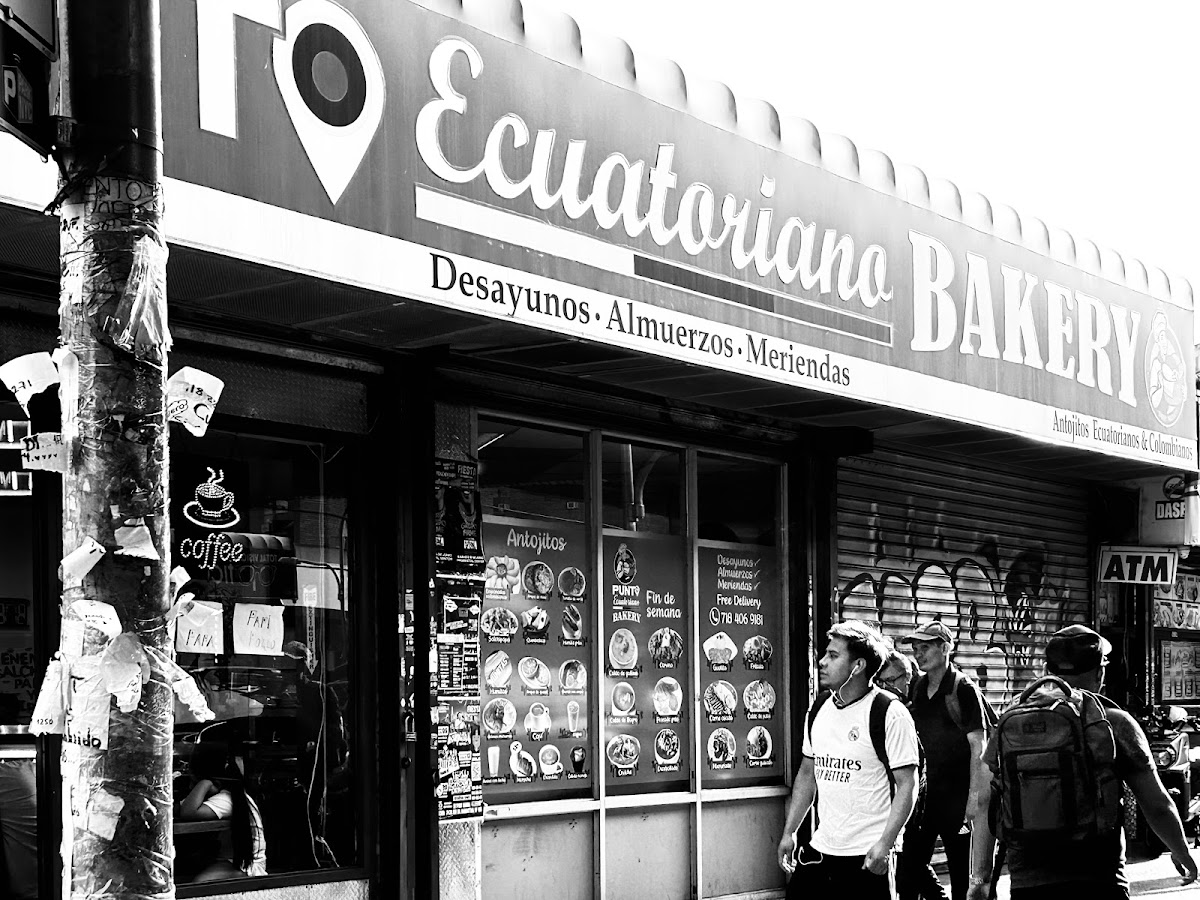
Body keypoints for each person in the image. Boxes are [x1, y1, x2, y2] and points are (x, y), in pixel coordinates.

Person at [966, 625, 1199, 900]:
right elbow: (1156, 804)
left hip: (1028, 881)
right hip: (1098, 880)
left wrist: (979, 879)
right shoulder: (1112, 722)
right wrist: (1182, 852)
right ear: (1100, 673)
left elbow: (986, 801)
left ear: (1045, 670)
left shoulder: (1014, 721)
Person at [778, 620, 920, 899]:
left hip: (867, 857)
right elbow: (807, 773)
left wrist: (885, 844)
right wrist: (789, 831)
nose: (822, 662)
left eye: (833, 655)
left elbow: (907, 784)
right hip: (820, 851)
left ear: (858, 666)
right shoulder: (819, 708)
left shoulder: (889, 713)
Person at [898, 620, 991, 900]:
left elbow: (979, 746)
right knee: (909, 870)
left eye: (925, 647)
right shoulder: (918, 687)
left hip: (957, 799)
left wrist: (974, 799)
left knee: (962, 876)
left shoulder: (963, 688)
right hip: (925, 798)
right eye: (915, 648)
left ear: (945, 648)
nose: (918, 654)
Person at [176, 741, 268, 881]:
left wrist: (204, 783)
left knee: (199, 882)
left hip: (246, 865)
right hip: (229, 859)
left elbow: (188, 812)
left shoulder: (228, 799)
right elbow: (179, 807)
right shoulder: (221, 796)